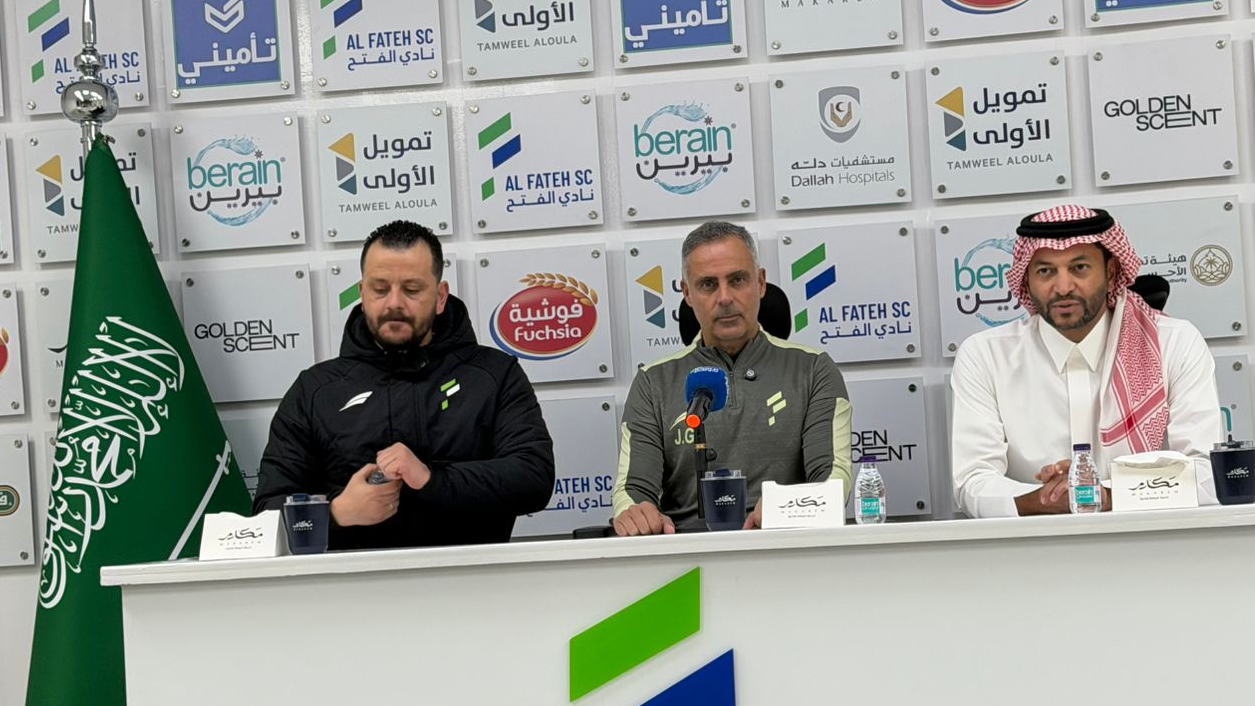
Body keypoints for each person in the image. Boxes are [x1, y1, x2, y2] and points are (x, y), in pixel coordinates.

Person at [255, 220, 555, 548]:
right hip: (352, 581)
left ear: (440, 296)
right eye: (380, 289)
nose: (394, 303)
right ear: (362, 293)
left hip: (472, 577)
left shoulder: (495, 374)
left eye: (412, 289)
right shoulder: (314, 390)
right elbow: (268, 513)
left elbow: (533, 477)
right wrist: (337, 513)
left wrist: (430, 479)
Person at [948, 203, 1221, 517]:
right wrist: (1045, 498)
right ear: (1026, 280)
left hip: (1149, 541)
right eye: (1046, 271)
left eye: (1079, 268)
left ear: (1111, 273)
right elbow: (973, 481)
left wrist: (1104, 495)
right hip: (1035, 544)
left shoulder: (1173, 344)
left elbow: (1206, 473)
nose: (1063, 287)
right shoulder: (986, 356)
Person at [613, 220, 852, 535]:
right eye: (708, 284)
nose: (724, 297)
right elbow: (632, 491)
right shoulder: (652, 381)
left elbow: (833, 480)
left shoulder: (813, 369)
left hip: (784, 544)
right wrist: (635, 513)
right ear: (687, 293)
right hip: (687, 553)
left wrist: (785, 507)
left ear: (761, 283)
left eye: (737, 280)